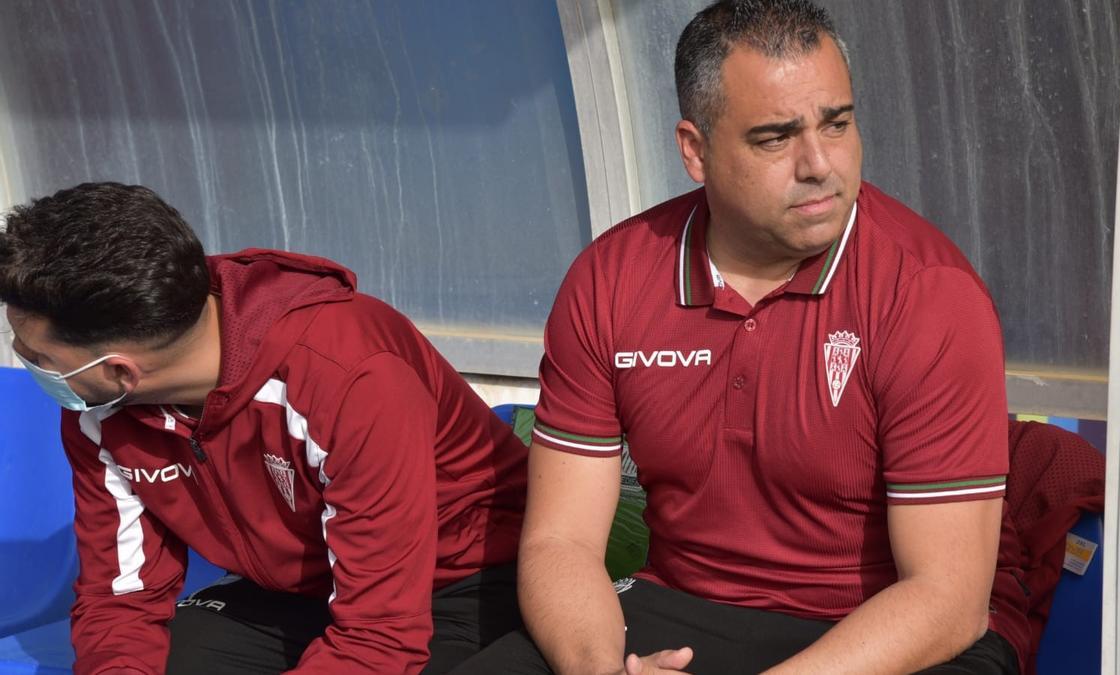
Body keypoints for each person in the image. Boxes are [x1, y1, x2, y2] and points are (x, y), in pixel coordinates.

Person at [459, 1, 1029, 673]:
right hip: (682, 607)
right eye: (775, 137)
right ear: (694, 150)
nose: (819, 163)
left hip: (882, 632)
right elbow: (561, 541)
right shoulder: (610, 279)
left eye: (837, 123)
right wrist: (601, 668)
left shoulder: (930, 292)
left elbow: (948, 598)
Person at [0, 182, 528, 674]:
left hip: (455, 584)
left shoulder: (349, 376)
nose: (25, 361)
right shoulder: (100, 407)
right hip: (296, 592)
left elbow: (380, 636)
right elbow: (120, 599)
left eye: (38, 355)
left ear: (121, 369)